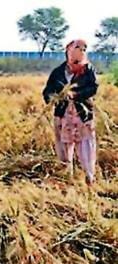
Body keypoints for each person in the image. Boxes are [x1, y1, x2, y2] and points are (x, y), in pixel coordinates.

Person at [42, 39, 99, 185]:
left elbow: (93, 88)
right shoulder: (58, 72)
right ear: (68, 49)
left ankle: (89, 178)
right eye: (78, 47)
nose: (82, 50)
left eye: (84, 48)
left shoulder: (88, 70)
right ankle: (67, 180)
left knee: (86, 146)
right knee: (64, 147)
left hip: (82, 114)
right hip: (63, 115)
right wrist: (54, 98)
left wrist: (75, 95)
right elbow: (47, 91)